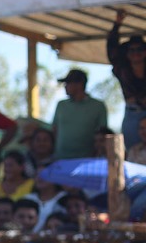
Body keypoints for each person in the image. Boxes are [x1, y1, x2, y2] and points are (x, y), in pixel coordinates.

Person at [51, 69, 109, 161]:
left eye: (68, 83)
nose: (65, 86)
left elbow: (103, 134)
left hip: (87, 160)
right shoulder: (61, 105)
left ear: (80, 84)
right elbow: (54, 129)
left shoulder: (98, 106)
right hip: (61, 159)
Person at [108, 10, 146, 146]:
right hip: (132, 114)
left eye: (140, 49)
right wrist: (117, 24)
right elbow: (112, 49)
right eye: (132, 50)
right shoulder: (123, 70)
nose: (136, 53)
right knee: (132, 152)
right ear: (127, 53)